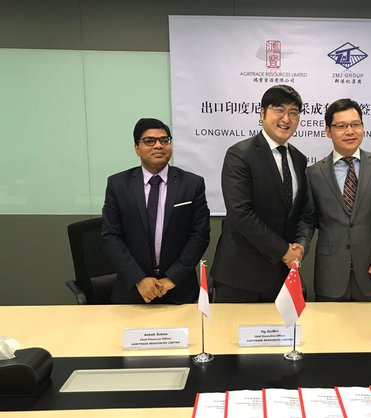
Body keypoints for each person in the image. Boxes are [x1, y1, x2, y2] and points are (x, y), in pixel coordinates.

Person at [211, 85, 310, 302]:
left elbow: (304, 212)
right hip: (241, 276)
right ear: (263, 113)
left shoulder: (299, 159)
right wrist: (283, 250)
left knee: (282, 335)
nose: (286, 118)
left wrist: (301, 244)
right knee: (232, 336)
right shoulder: (240, 155)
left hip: (282, 276)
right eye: (279, 110)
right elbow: (240, 213)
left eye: (294, 113)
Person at [296, 99, 371, 301]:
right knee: (331, 331)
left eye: (356, 124)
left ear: (363, 127)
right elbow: (308, 219)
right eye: (341, 126)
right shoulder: (313, 173)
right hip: (330, 273)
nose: (350, 131)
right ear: (328, 131)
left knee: (370, 331)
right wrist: (300, 246)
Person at [102, 118, 210, 304]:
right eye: (150, 141)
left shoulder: (192, 184)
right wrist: (138, 279)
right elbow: (110, 236)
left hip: (179, 288)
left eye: (164, 140)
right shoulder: (118, 185)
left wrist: (173, 278)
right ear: (137, 147)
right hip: (132, 289)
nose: (159, 145)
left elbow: (200, 235)